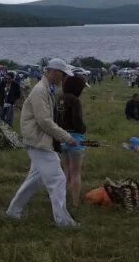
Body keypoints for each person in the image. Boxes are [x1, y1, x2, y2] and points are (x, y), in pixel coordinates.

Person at [6, 58, 78, 228]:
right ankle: (63, 222)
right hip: (38, 142)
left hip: (38, 140)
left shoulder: (47, 88)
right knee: (58, 180)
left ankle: (13, 211)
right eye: (62, 74)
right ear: (53, 72)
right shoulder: (40, 91)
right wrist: (67, 137)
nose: (64, 79)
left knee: (34, 180)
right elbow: (44, 121)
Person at [55, 74, 88, 208]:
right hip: (75, 140)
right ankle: (75, 203)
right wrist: (83, 128)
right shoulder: (75, 100)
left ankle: (61, 199)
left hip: (61, 138)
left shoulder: (59, 99)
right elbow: (78, 122)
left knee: (65, 171)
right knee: (76, 173)